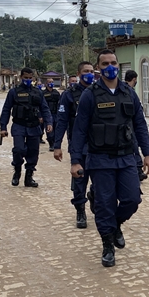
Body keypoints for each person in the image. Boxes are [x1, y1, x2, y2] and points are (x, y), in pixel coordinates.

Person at [69, 50, 149, 267]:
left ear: (118, 65)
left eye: (113, 62)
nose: (110, 66)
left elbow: (140, 124)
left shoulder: (128, 93)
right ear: (99, 68)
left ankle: (115, 225)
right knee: (105, 204)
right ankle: (107, 244)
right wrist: (76, 160)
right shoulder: (91, 95)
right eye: (105, 63)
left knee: (132, 199)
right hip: (100, 159)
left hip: (126, 158)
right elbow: (79, 130)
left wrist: (148, 153)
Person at [54, 62, 96, 228]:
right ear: (79, 74)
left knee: (101, 180)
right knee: (79, 180)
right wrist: (57, 145)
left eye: (92, 71)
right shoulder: (69, 94)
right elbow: (62, 121)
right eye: (86, 71)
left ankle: (94, 196)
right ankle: (80, 210)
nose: (89, 74)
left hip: (99, 144)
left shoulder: (99, 91)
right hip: (79, 144)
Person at [0, 68, 53, 188]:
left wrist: (49, 122)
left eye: (30, 78)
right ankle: (17, 170)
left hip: (34, 126)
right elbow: (6, 110)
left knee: (33, 152)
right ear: (20, 77)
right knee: (18, 150)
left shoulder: (38, 92)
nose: (28, 80)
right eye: (26, 78)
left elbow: (44, 108)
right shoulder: (13, 92)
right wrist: (3, 127)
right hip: (19, 125)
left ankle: (29, 176)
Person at [123, 70, 147, 182]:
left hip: (132, 126)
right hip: (129, 128)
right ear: (134, 79)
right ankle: (137, 170)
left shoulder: (130, 92)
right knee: (133, 147)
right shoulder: (127, 92)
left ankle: (138, 170)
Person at [43, 79, 62, 152]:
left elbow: (60, 103)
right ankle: (51, 144)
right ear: (46, 84)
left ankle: (55, 143)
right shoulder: (43, 93)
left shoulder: (56, 92)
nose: (51, 83)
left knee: (56, 130)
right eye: (49, 82)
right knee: (49, 130)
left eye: (52, 82)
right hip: (47, 114)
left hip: (56, 114)